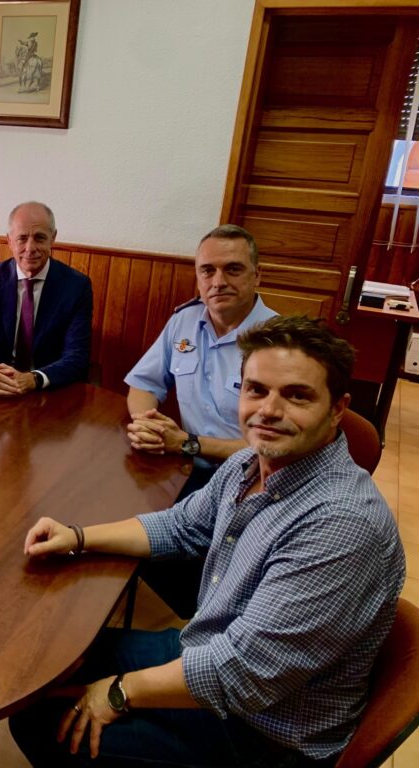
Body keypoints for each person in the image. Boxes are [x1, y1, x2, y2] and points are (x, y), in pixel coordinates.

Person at [11, 315, 404, 767]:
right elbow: (179, 527)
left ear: (337, 408)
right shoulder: (249, 464)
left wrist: (120, 692)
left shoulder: (340, 524)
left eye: (297, 395)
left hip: (263, 731)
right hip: (213, 652)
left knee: (41, 725)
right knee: (60, 658)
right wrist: (76, 536)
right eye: (255, 390)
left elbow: (242, 674)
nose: (268, 411)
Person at [124, 224, 277, 617]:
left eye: (233, 269)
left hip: (252, 480)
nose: (218, 281)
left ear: (257, 275)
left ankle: (208, 632)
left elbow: (273, 446)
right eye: (207, 271)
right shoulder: (184, 322)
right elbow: (142, 385)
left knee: (179, 562)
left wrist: (187, 443)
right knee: (118, 520)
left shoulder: (279, 343)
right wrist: (149, 424)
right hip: (182, 465)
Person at [0, 201, 92, 396]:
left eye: (39, 238)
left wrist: (34, 378)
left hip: (47, 391)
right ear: (9, 240)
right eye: (22, 238)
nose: (30, 248)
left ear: (53, 238)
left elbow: (77, 355)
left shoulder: (76, 286)